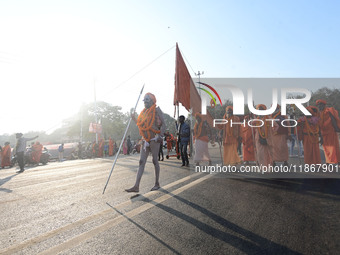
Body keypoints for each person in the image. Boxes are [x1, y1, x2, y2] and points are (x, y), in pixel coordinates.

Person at [125, 93, 166, 192]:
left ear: (152, 101)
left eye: (147, 100)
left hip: (154, 139)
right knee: (141, 162)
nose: (145, 102)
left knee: (155, 161)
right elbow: (141, 125)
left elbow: (164, 124)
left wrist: (160, 136)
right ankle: (136, 186)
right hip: (145, 139)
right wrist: (134, 118)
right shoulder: (144, 112)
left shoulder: (157, 110)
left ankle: (157, 183)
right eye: (144, 100)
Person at [316, 99, 340, 165]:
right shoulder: (318, 114)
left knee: (333, 148)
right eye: (318, 105)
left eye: (321, 105)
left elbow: (333, 120)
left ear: (324, 105)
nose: (319, 106)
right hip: (323, 134)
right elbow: (318, 125)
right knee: (326, 149)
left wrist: (337, 129)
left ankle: (336, 162)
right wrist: (320, 135)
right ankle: (328, 162)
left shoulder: (329, 111)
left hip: (331, 133)